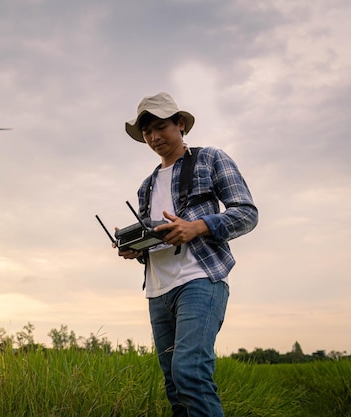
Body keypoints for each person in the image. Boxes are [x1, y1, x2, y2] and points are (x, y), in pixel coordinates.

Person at [118, 92, 258, 417]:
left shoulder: (210, 159)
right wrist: (135, 249)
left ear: (180, 124)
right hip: (157, 291)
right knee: (175, 387)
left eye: (160, 127)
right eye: (146, 132)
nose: (153, 137)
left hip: (200, 279)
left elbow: (247, 213)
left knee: (189, 373)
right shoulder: (146, 186)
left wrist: (198, 227)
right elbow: (157, 240)